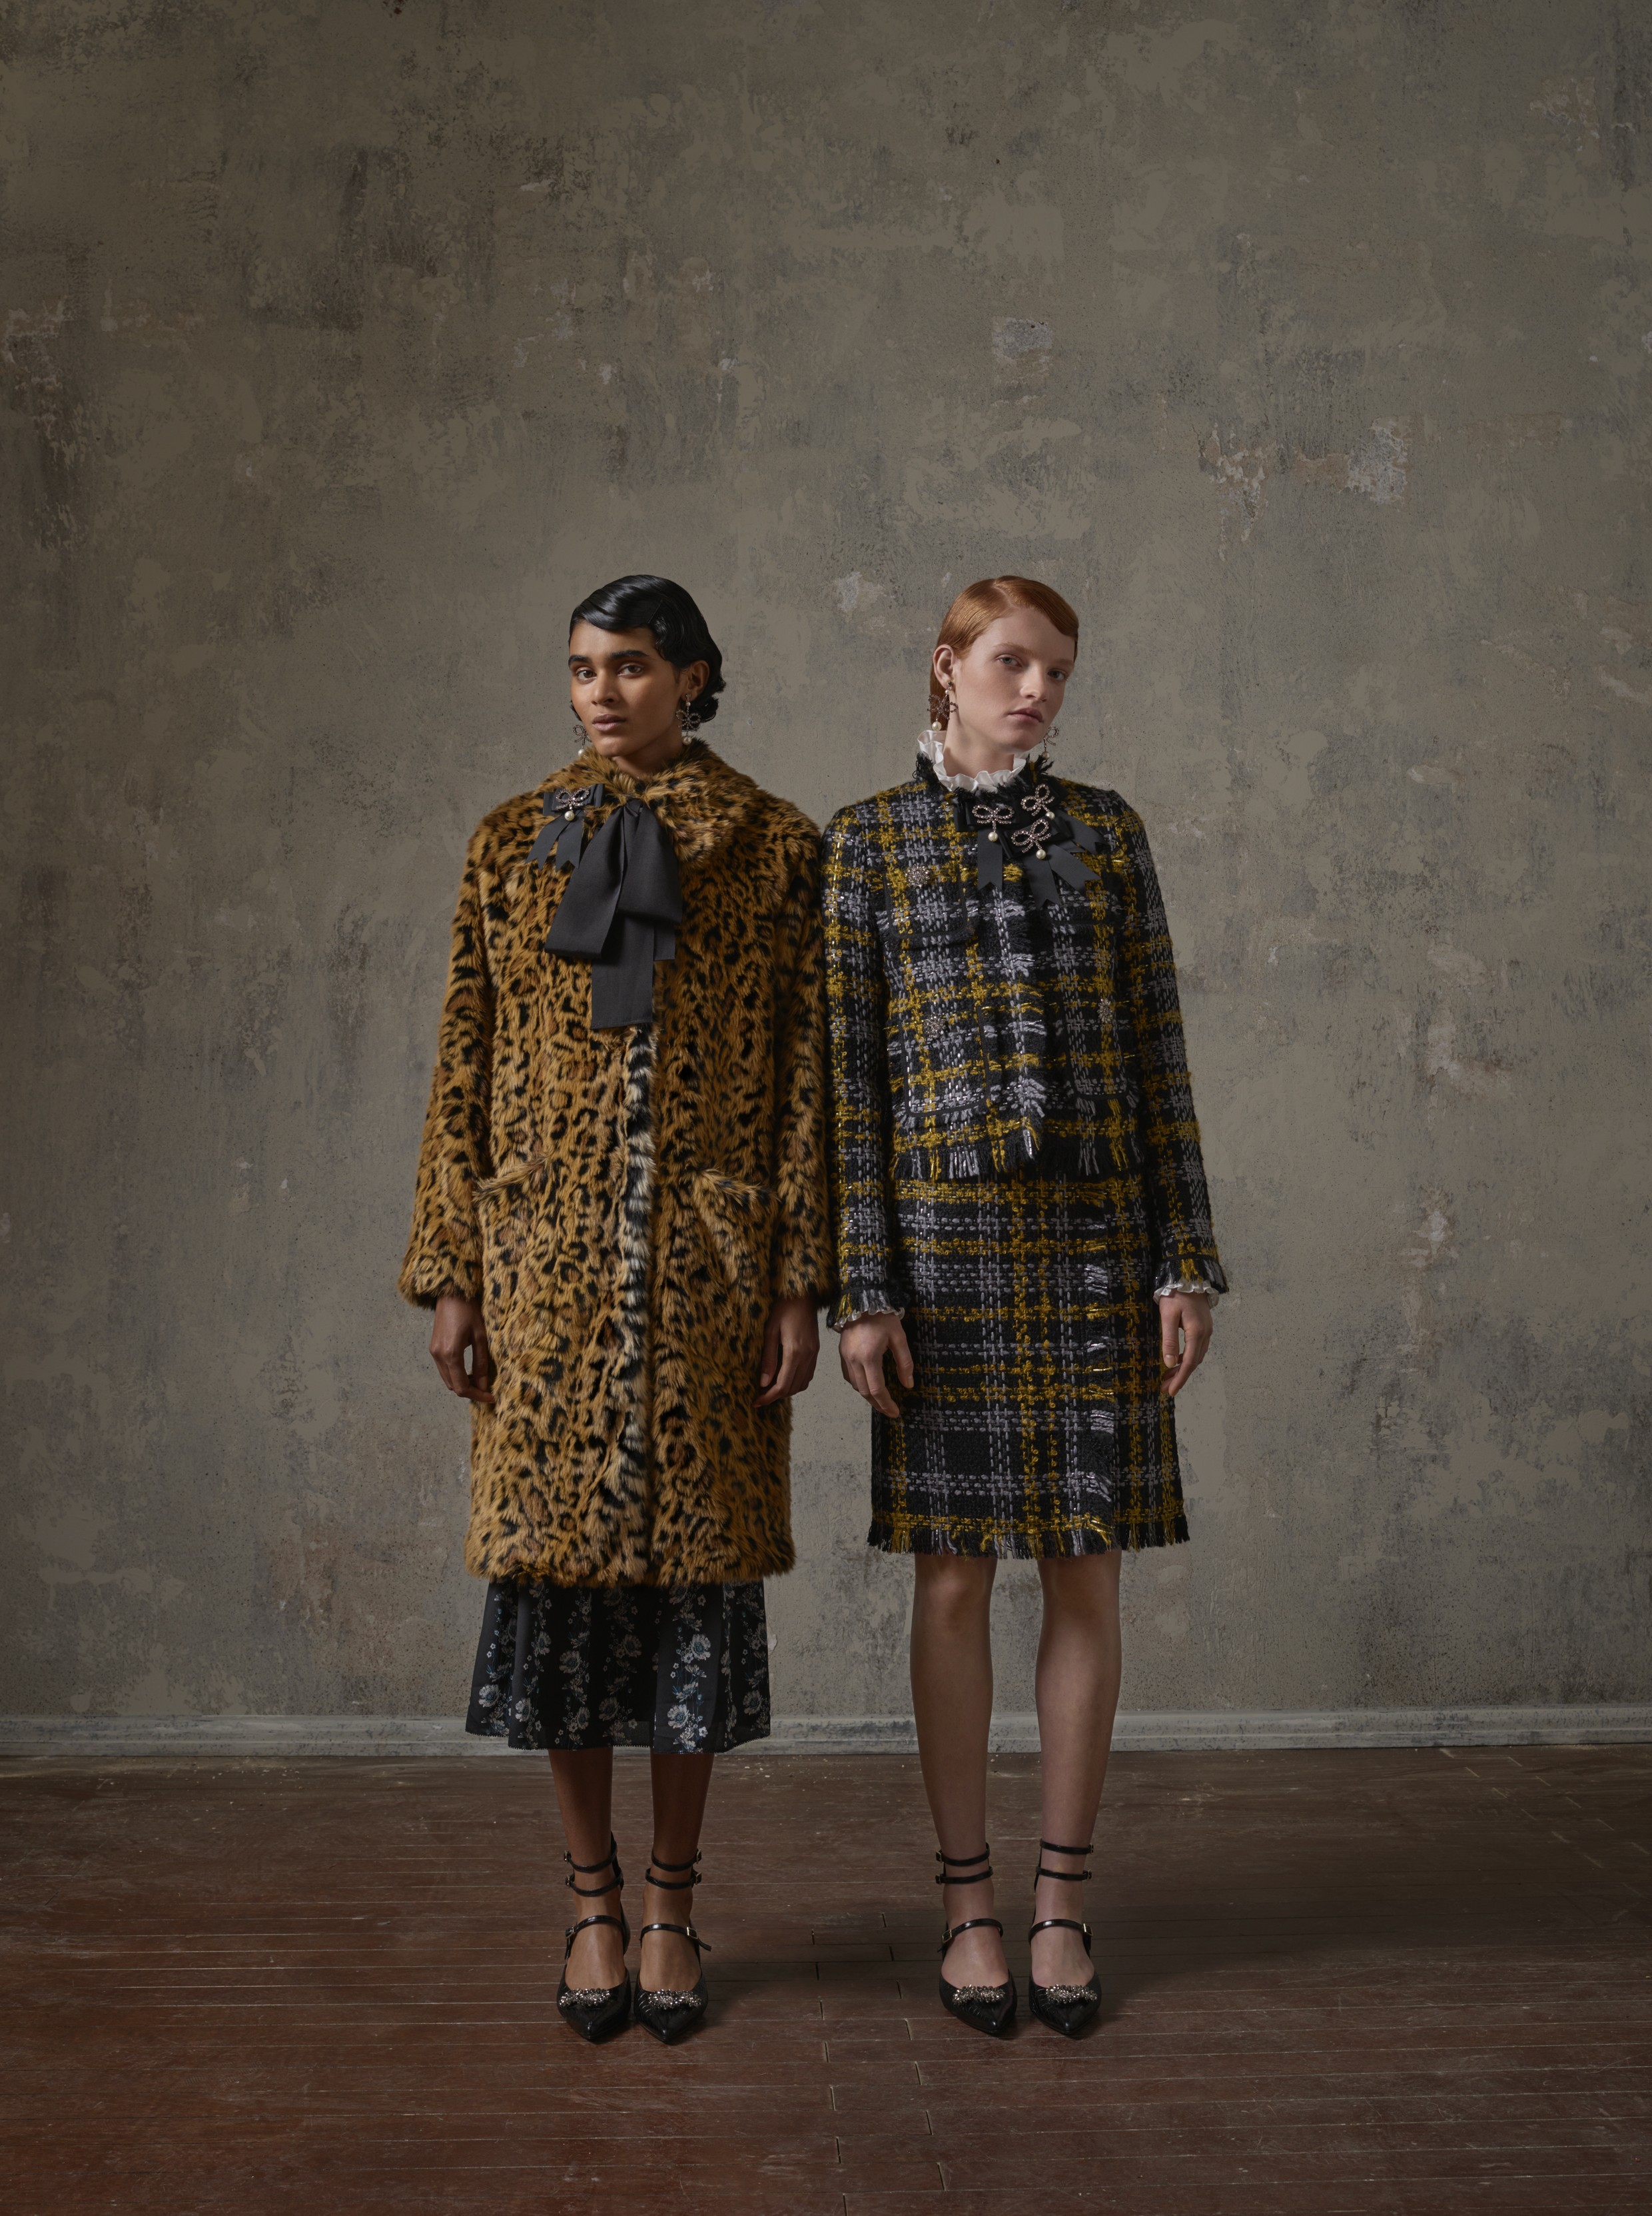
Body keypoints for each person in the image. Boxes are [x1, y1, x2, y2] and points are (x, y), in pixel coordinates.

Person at [400, 574, 828, 2043]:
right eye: (583, 667)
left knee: (693, 1605)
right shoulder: (510, 842)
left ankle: (670, 1900)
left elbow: (805, 1082)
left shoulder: (774, 848)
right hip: (545, 1276)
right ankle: (588, 1898)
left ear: (695, 676)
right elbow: (462, 1065)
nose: (601, 691)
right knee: (560, 1599)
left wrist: (796, 1276)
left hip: (710, 1276)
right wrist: (454, 1269)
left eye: (632, 666)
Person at [822, 575, 1226, 2039]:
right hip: (942, 1258)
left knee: (1085, 1572)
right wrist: (861, 1287)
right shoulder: (866, 841)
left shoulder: (1107, 833)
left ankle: (1061, 1899)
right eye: (1012, 662)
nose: (1039, 689)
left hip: (1100, 1248)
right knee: (948, 1580)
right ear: (947, 667)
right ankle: (965, 1903)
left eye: (1058, 668)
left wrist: (1185, 1257)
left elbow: (1159, 1052)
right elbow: (847, 1084)